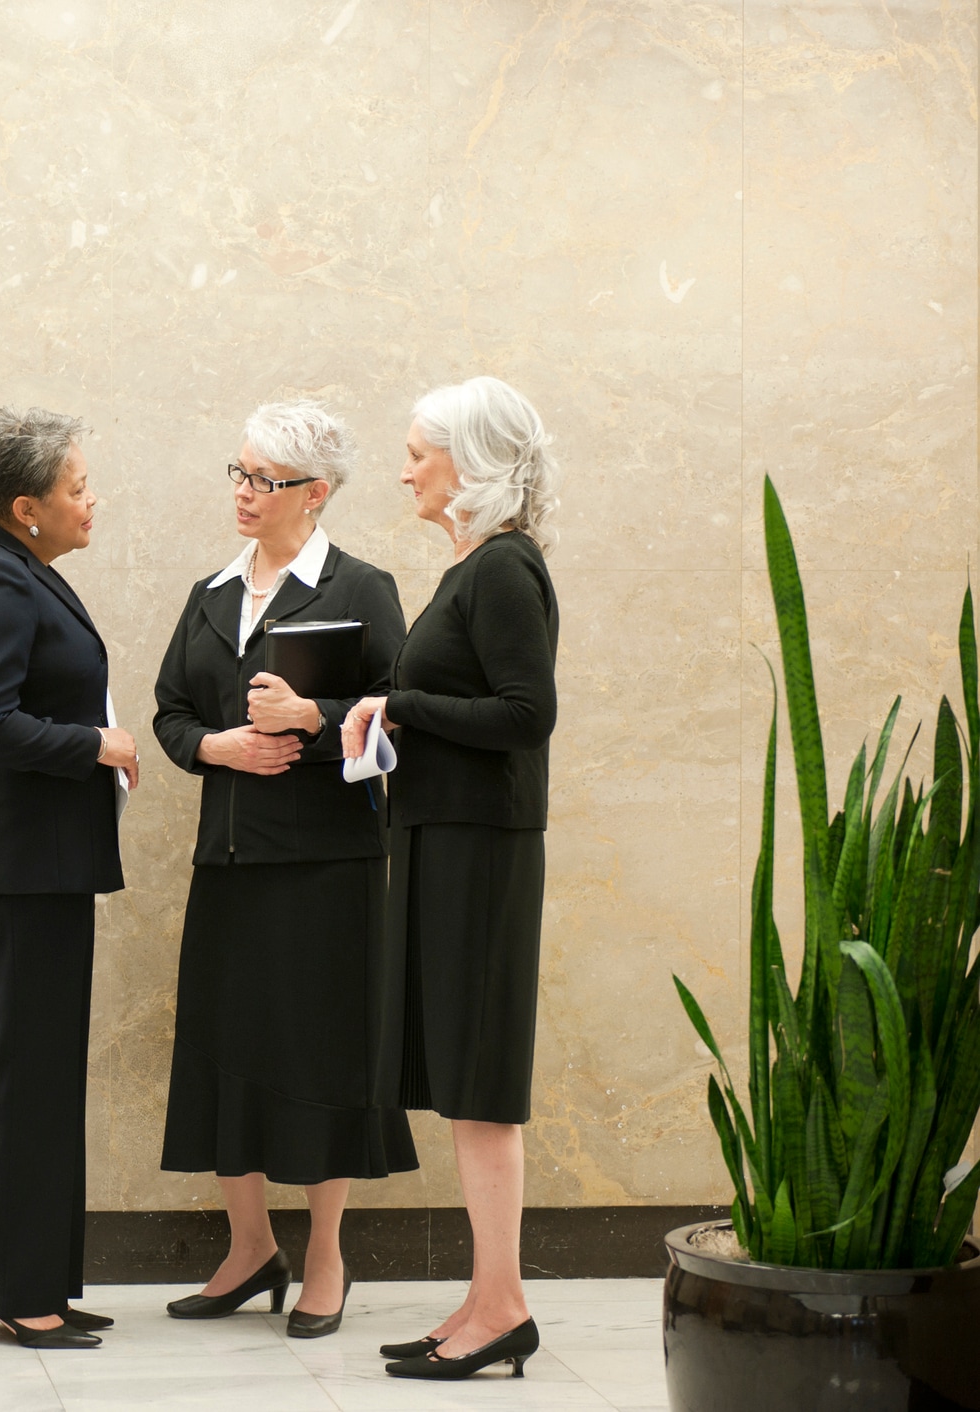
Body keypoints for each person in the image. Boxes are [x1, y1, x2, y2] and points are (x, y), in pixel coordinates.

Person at [150, 400, 416, 1340]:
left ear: (317, 492)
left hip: (327, 870)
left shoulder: (363, 588)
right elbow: (171, 710)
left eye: (264, 480)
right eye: (239, 472)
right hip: (228, 862)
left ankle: (328, 1257)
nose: (244, 494)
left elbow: (401, 714)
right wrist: (215, 748)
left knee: (320, 1057)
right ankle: (250, 1245)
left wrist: (311, 720)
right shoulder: (211, 593)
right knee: (229, 1052)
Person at [342, 376, 561, 1382]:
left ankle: (503, 1304)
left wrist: (406, 706)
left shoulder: (505, 569)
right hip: (446, 842)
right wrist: (392, 710)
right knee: (467, 1085)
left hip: (482, 850)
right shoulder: (471, 568)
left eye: (418, 452)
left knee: (481, 1086)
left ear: (468, 464)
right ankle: (484, 1296)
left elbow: (526, 714)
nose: (403, 471)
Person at [0, 407, 139, 1351]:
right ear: (27, 506)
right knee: (24, 1077)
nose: (92, 500)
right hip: (16, 870)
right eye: (79, 488)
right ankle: (14, 1293)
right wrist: (94, 743)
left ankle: (41, 1279)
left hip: (46, 869)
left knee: (49, 1078)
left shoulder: (25, 572)